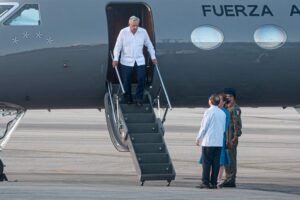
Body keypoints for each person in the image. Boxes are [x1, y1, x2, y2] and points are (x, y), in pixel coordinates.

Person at [113, 16, 157, 106]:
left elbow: (149, 44)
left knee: (141, 78)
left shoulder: (143, 32)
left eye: (136, 25)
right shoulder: (123, 32)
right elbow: (117, 47)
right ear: (129, 24)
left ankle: (139, 99)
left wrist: (153, 56)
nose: (135, 27)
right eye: (133, 25)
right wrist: (115, 59)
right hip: (126, 61)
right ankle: (128, 98)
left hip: (139, 60)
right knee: (126, 80)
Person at [196, 94, 226, 189]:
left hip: (208, 142)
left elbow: (204, 127)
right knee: (215, 163)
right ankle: (213, 183)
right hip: (218, 142)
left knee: (206, 163)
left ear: (210, 101)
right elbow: (223, 128)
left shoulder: (208, 112)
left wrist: (198, 138)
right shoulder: (222, 113)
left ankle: (205, 182)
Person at [220, 88, 242, 188]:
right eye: (227, 96)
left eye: (230, 96)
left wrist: (235, 136)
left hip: (231, 137)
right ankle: (227, 178)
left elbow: (237, 124)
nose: (228, 98)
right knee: (226, 159)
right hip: (225, 136)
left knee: (231, 159)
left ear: (234, 98)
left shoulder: (235, 109)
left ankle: (231, 180)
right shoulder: (225, 107)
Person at [217, 94, 231, 185]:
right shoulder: (214, 110)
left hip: (220, 138)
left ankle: (218, 179)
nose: (217, 100)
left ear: (224, 102)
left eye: (220, 99)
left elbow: (224, 127)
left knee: (221, 161)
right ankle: (211, 178)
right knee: (211, 160)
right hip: (214, 138)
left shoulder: (225, 112)